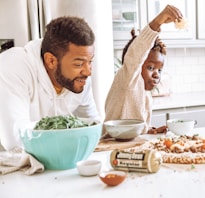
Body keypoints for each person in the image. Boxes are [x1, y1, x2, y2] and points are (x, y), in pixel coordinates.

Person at [0, 16, 100, 151]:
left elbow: (93, 125)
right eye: (79, 64)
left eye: (90, 61)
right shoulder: (13, 66)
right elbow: (17, 141)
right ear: (51, 61)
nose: (88, 72)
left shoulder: (79, 77)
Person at [104, 5, 183, 136]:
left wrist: (151, 130)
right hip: (111, 145)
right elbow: (137, 52)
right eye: (150, 68)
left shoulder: (145, 94)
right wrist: (158, 22)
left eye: (160, 69)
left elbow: (137, 130)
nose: (156, 74)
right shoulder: (127, 80)